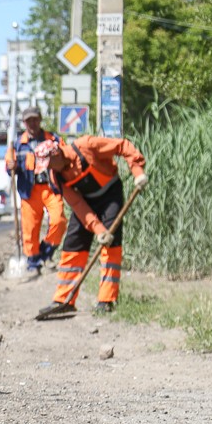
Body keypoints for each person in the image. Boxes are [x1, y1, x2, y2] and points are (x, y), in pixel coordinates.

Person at [35, 135, 147, 315]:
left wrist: (137, 171)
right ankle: (64, 299)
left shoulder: (86, 145)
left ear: (57, 154)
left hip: (110, 194)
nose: (48, 168)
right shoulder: (56, 176)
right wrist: (98, 229)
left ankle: (106, 300)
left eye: (49, 163)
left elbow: (122, 145)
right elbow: (77, 204)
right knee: (73, 245)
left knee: (111, 244)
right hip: (86, 203)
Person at [4, 105, 66, 274]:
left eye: (35, 119)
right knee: (30, 229)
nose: (32, 123)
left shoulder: (53, 139)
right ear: (24, 123)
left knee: (59, 221)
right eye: (29, 120)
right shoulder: (17, 144)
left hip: (51, 188)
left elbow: (65, 158)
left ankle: (45, 251)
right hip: (29, 191)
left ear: (40, 120)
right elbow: (9, 167)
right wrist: (11, 166)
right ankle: (33, 262)